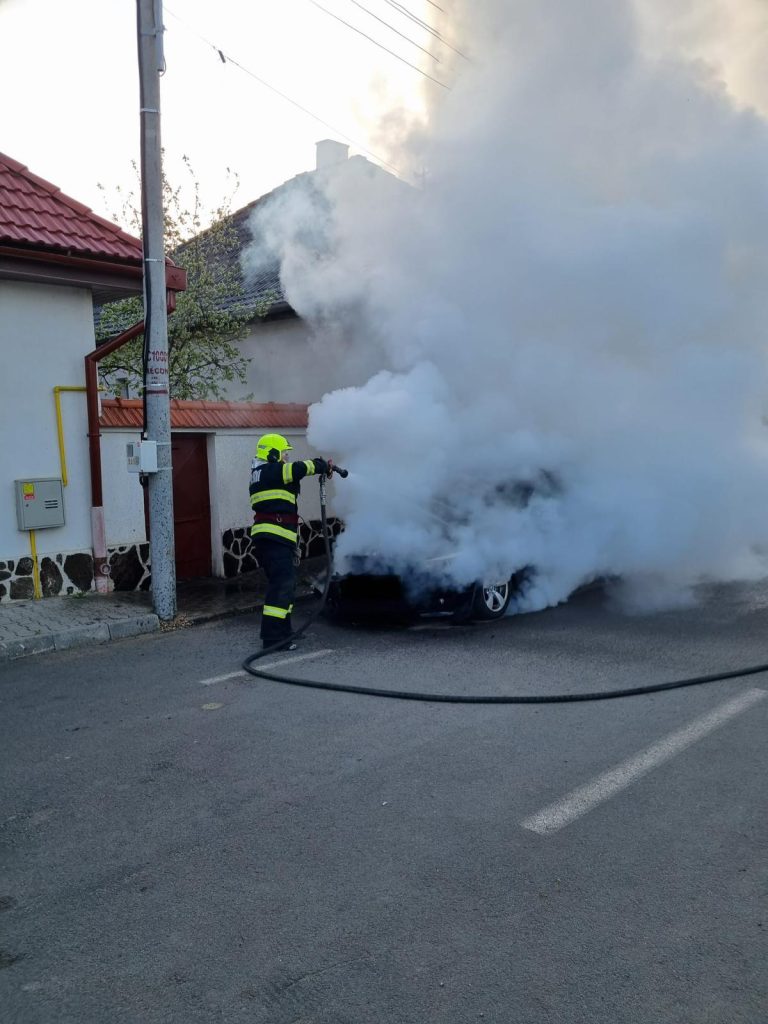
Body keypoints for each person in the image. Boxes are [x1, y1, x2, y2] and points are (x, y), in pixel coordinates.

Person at [249, 433, 331, 651]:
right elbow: (298, 469)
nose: (286, 457)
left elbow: (292, 475)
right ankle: (273, 638)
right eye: (284, 453)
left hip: (276, 538)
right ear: (273, 454)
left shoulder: (262, 473)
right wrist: (319, 464)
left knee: (286, 585)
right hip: (274, 537)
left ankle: (284, 633)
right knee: (281, 585)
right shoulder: (268, 471)